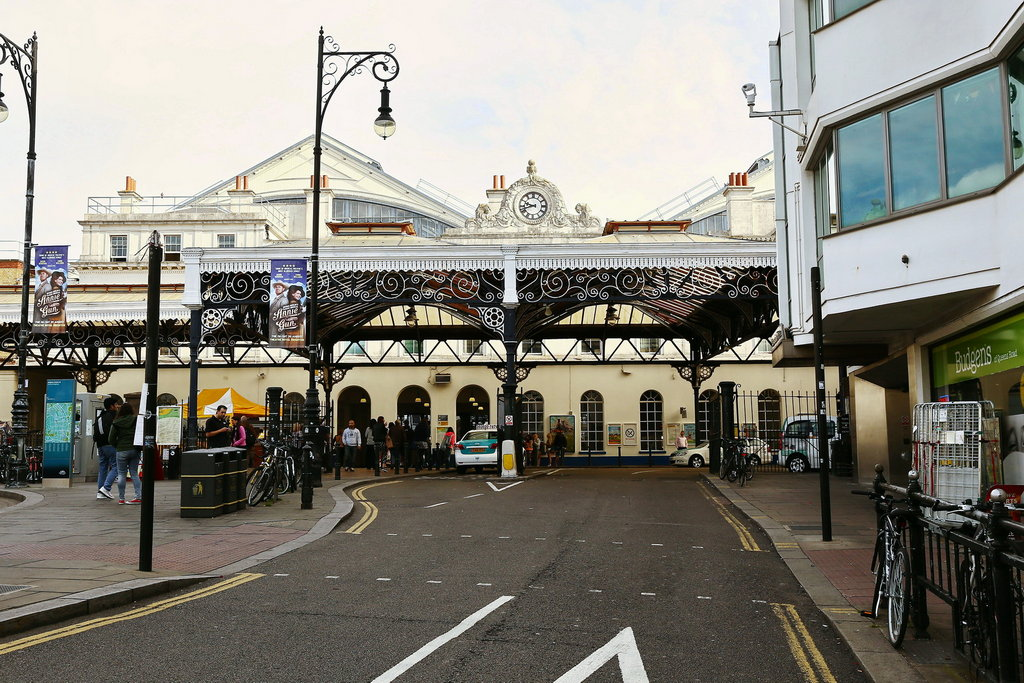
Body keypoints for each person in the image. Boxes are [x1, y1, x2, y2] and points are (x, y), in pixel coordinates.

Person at [107, 403, 142, 504]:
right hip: (134, 449)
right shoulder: (136, 420)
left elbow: (111, 439)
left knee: (121, 474)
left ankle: (121, 498)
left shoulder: (116, 422)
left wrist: (117, 445)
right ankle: (138, 496)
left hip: (121, 450)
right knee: (134, 473)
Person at [93, 394, 123, 500]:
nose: (118, 406)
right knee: (117, 467)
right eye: (116, 404)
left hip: (100, 445)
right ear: (111, 406)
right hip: (110, 445)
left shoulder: (100, 416)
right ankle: (105, 488)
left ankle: (100, 492)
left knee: (103, 468)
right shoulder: (114, 416)